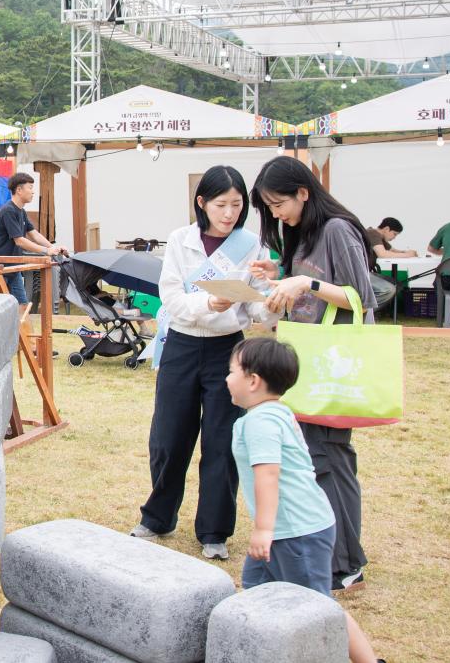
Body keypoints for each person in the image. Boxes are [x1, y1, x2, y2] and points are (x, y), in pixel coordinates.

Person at [131, 166, 276, 561]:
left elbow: (260, 307)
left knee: (222, 440)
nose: (229, 213)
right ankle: (157, 517)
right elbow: (172, 298)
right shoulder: (181, 239)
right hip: (181, 344)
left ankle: (214, 530)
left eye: (237, 204)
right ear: (202, 203)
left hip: (228, 350)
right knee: (168, 435)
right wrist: (207, 303)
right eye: (221, 204)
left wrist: (274, 294)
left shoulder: (251, 245)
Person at [249, 156, 376, 592]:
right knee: (313, 459)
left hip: (333, 362)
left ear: (304, 192)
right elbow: (305, 284)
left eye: (277, 203)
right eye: (269, 207)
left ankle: (347, 562)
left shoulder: (337, 229)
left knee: (330, 459)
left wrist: (305, 284)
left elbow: (361, 296)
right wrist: (281, 275)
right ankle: (329, 552)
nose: (276, 213)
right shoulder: (302, 232)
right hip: (306, 357)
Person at [227, 338, 381, 663]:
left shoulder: (262, 422)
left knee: (316, 609)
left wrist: (263, 530)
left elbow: (268, 474)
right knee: (257, 592)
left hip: (295, 532)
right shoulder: (275, 412)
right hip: (290, 530)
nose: (226, 378)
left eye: (231, 371)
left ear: (252, 381)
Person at [0, 172, 68, 317]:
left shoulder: (21, 212)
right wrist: (46, 251)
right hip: (0, 267)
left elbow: (34, 234)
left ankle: (18, 337)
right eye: (30, 187)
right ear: (19, 190)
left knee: (22, 304)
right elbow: (19, 240)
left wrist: (53, 248)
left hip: (13, 266)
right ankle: (12, 337)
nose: (33, 191)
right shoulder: (8, 210)